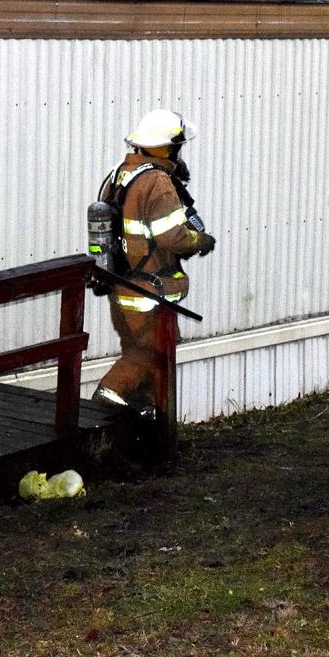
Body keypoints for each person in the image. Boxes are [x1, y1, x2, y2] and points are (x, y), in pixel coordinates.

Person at [92, 109, 216, 439]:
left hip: (123, 289)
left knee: (146, 357)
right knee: (147, 356)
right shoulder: (157, 183)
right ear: (165, 149)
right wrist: (200, 239)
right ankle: (107, 401)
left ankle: (144, 432)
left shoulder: (120, 175)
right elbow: (172, 237)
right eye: (175, 147)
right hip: (151, 292)